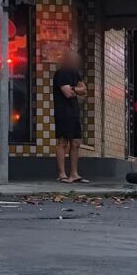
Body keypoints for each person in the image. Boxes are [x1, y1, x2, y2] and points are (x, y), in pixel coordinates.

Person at [53, 50, 88, 184]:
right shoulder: (60, 74)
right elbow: (67, 93)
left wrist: (74, 89)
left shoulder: (75, 74)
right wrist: (76, 89)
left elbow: (84, 90)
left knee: (76, 142)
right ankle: (62, 174)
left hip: (74, 111)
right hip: (63, 111)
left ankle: (74, 174)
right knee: (63, 141)